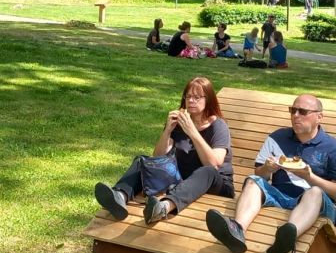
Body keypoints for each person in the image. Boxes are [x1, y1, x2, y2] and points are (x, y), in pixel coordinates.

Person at [205, 94, 336, 253]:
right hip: (280, 196)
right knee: (253, 181)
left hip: (316, 204)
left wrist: (310, 177)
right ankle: (237, 231)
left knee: (315, 192)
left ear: (319, 117)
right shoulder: (277, 138)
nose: (295, 115)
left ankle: (288, 237)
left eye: (302, 111)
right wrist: (267, 168)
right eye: (293, 110)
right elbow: (260, 175)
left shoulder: (332, 148)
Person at [94, 76, 234, 225]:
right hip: (183, 179)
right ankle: (119, 197)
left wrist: (192, 132)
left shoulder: (218, 126)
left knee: (207, 171)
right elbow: (158, 157)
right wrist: (168, 130)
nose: (191, 101)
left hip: (216, 184)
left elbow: (214, 164)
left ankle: (163, 208)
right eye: (188, 97)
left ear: (208, 99)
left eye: (197, 97)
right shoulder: (181, 122)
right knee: (143, 161)